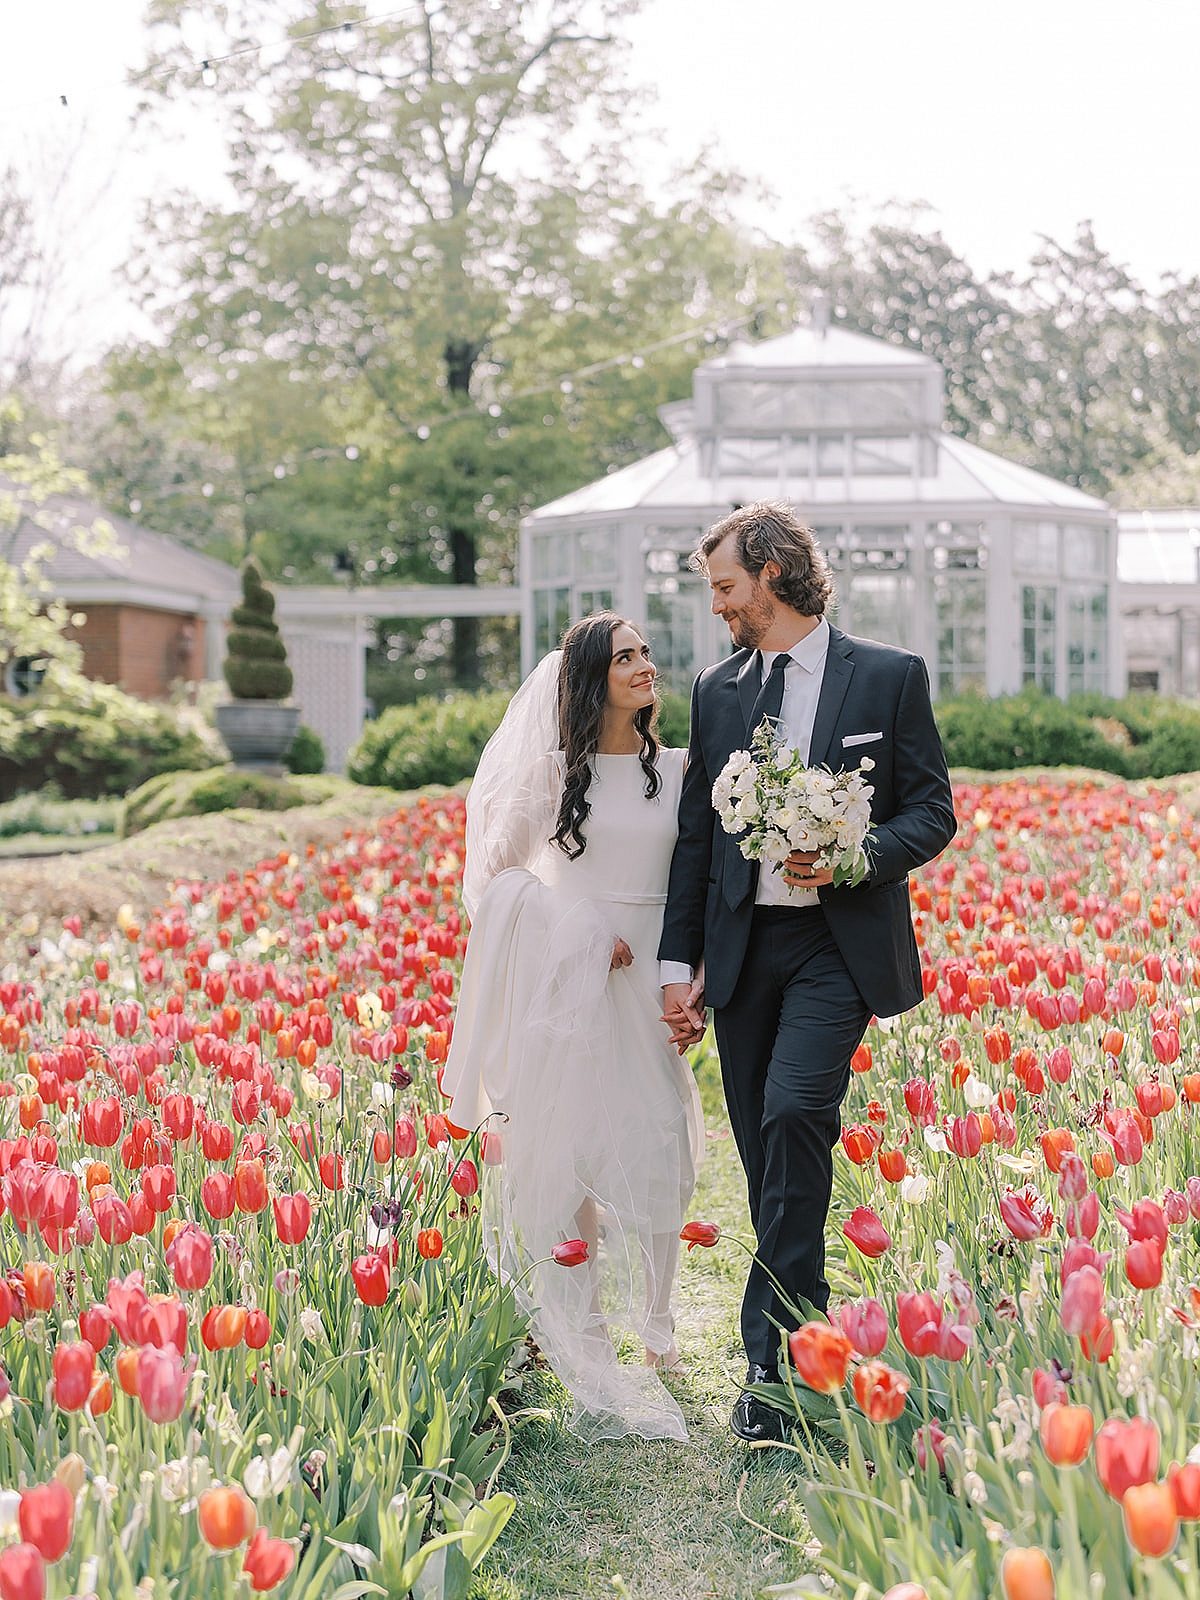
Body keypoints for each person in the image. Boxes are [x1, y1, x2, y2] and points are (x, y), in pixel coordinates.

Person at [658, 501, 957, 1443]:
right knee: (765, 1150)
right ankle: (808, 1334)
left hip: (838, 948)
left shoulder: (889, 679)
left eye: (727, 586)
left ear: (776, 574)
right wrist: (680, 962)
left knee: (795, 1113)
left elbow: (934, 812)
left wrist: (859, 853)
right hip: (746, 954)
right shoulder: (716, 689)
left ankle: (772, 1362)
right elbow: (697, 837)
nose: (718, 605)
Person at [443, 612, 704, 1443]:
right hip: (583, 981)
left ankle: (658, 1330)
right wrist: (580, 932)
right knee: (581, 1151)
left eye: (646, 653)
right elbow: (495, 882)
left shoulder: (681, 769)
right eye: (624, 656)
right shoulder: (553, 775)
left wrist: (691, 975)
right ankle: (583, 1332)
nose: (644, 667)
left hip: (659, 978)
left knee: (664, 1134)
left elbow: (696, 881)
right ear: (592, 676)